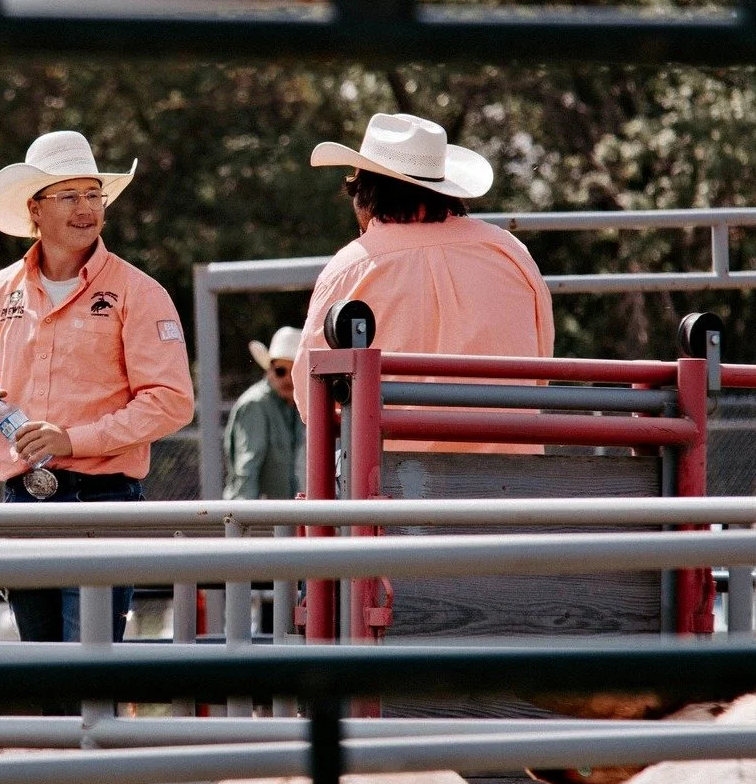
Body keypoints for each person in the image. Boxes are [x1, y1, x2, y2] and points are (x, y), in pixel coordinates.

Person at [0, 130, 195, 641]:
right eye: (69, 196)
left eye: (93, 195)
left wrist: (73, 440)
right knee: (45, 669)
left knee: (89, 666)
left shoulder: (138, 293)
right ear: (35, 210)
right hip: (24, 500)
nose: (87, 209)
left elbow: (171, 403)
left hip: (105, 499)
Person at [295, 112, 553, 452]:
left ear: (366, 195)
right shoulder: (510, 253)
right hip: (512, 486)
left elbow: (309, 400)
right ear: (444, 189)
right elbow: (540, 370)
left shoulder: (349, 269)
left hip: (387, 491)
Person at [223, 326, 305, 499]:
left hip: (282, 517)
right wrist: (246, 519)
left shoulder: (297, 406)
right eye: (281, 371)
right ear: (270, 369)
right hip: (261, 518)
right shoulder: (256, 404)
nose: (288, 379)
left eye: (295, 371)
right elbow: (247, 469)